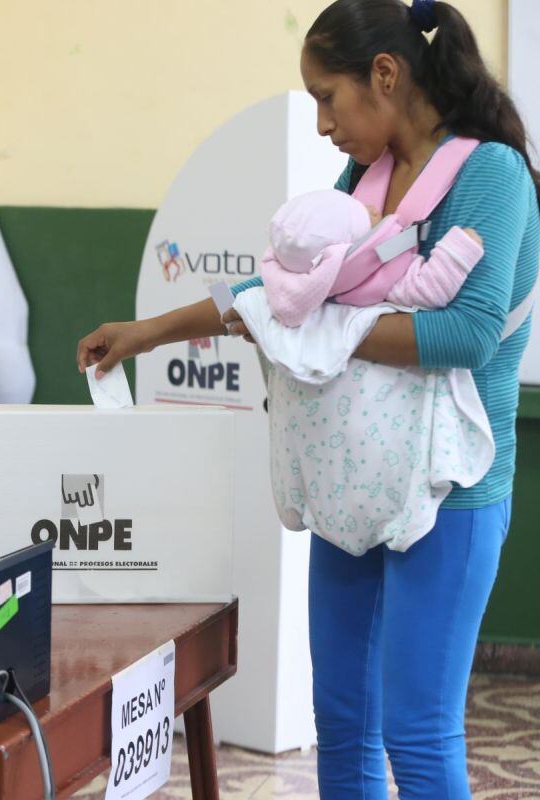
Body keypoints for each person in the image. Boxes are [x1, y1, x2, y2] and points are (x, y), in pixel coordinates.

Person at [78, 1, 540, 798]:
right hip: (352, 484)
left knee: (418, 732)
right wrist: (150, 331)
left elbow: (467, 334)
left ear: (385, 75)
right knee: (344, 721)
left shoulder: (490, 174)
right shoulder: (366, 177)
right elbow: (285, 293)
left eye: (329, 96)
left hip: (452, 493)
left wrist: (324, 329)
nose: (323, 123)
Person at [261, 183, 482, 327]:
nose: (372, 208)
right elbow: (429, 290)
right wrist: (460, 248)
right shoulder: (379, 279)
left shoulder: (300, 284)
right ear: (352, 250)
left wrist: (225, 300)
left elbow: (241, 303)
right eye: (363, 214)